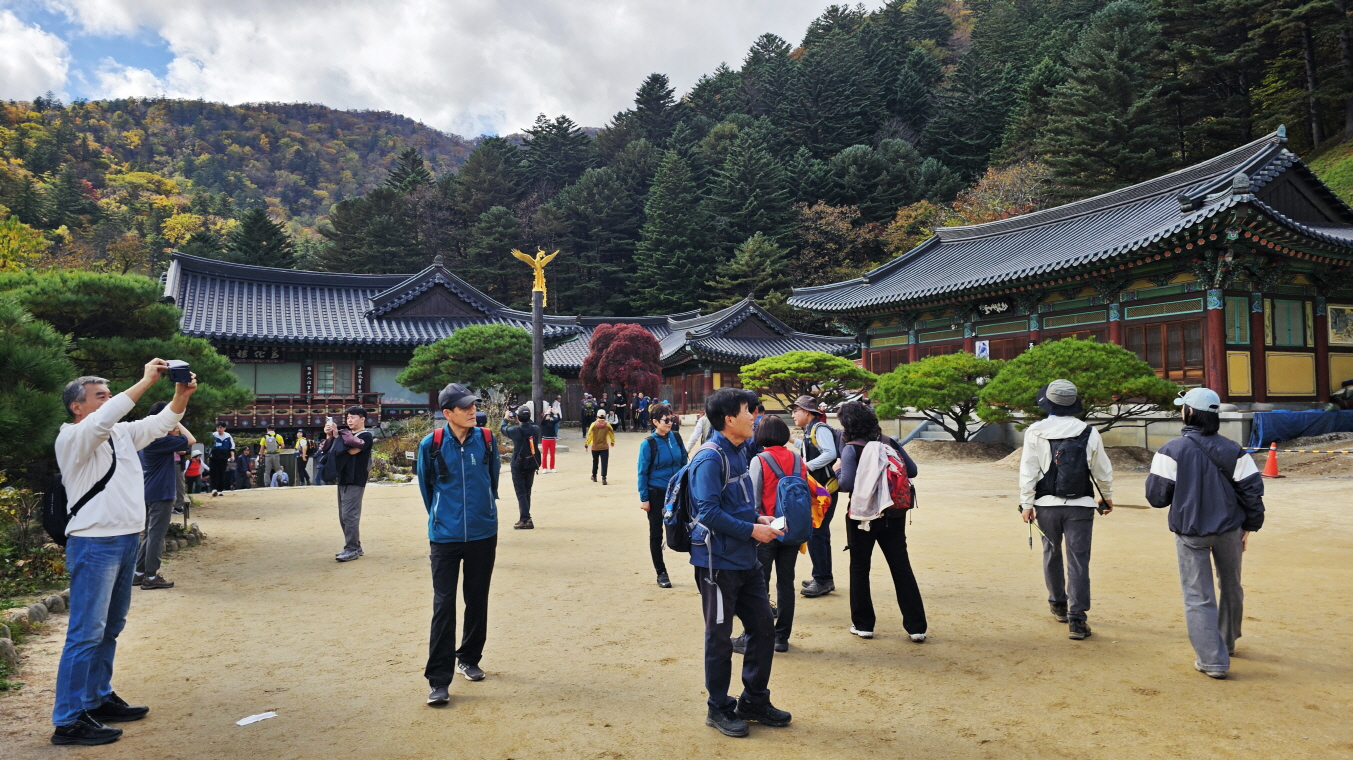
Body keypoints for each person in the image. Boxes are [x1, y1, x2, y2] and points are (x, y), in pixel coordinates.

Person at [51, 359, 197, 745]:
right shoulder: (73, 437)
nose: (109, 400)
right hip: (94, 543)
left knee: (110, 627)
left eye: (109, 394)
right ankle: (68, 720)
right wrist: (145, 381)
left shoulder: (120, 434)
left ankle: (96, 699)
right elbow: (106, 418)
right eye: (100, 396)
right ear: (76, 406)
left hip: (126, 538)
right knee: (86, 632)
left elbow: (161, 423)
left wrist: (180, 396)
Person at [689, 388, 790, 738]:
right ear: (729, 419)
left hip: (746, 560)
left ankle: (754, 701)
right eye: (749, 410)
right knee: (719, 638)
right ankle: (718, 707)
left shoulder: (738, 451)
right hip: (717, 565)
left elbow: (736, 503)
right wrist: (751, 529)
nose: (754, 416)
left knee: (763, 628)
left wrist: (758, 519)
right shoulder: (709, 458)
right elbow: (707, 512)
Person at [1146, 388, 1265, 679]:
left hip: (1191, 532)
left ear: (1189, 412)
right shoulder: (1234, 449)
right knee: (1231, 585)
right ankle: (1228, 641)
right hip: (1230, 529)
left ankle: (1212, 660)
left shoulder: (1171, 450)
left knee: (1198, 595)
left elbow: (1157, 498)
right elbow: (1252, 490)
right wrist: (1250, 526)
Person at [417, 383, 501, 707]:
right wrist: (442, 516)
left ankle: (469, 657)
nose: (472, 411)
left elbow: (492, 480)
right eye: (465, 407)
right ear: (447, 413)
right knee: (444, 605)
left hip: (483, 532)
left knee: (477, 599)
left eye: (473, 405)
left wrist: (485, 512)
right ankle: (439, 680)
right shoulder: (432, 444)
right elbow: (427, 488)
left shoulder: (487, 439)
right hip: (445, 537)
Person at [1018, 380, 1114, 641]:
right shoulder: (1089, 432)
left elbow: (1028, 469)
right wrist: (1106, 497)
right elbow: (1102, 470)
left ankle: (1058, 603)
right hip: (1081, 505)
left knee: (1051, 552)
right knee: (1078, 559)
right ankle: (1077, 619)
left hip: (1046, 505)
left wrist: (1027, 503)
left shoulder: (1035, 431)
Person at [835, 402, 926, 642]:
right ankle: (916, 627)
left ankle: (863, 624)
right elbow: (912, 470)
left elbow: (847, 484)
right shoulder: (889, 443)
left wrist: (837, 470)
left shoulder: (851, 449)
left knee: (859, 567)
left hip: (862, 516)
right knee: (901, 567)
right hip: (893, 513)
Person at [740, 414, 810, 652]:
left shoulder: (760, 460)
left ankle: (760, 635)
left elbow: (753, 500)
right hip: (792, 527)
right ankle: (782, 637)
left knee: (760, 584)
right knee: (786, 583)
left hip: (769, 527)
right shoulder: (798, 459)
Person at [134, 401, 194, 591]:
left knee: (149, 534)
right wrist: (175, 420)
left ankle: (139, 573)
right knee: (156, 535)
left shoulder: (147, 438)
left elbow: (184, 448)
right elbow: (191, 439)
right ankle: (151, 576)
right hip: (161, 492)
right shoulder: (160, 441)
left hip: (148, 491)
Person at [792, 395, 839, 599]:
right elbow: (809, 449)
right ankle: (823, 576)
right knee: (820, 533)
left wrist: (806, 467)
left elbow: (830, 453)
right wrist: (792, 441)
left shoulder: (819, 429)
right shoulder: (811, 429)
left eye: (796, 410)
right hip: (821, 489)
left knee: (816, 533)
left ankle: (822, 579)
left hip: (824, 490)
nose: (793, 414)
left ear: (807, 412)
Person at [637, 403, 686, 588]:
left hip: (677, 492)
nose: (670, 423)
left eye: (671, 419)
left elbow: (684, 462)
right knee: (656, 533)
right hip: (656, 492)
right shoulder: (648, 444)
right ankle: (661, 572)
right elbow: (642, 472)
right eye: (666, 420)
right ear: (656, 422)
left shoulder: (676, 437)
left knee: (684, 528)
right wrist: (644, 498)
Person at [323, 406, 375, 562]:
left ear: (362, 419)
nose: (349, 420)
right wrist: (330, 435)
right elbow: (331, 450)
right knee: (343, 516)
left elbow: (352, 450)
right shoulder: (346, 436)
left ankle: (351, 548)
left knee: (349, 515)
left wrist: (337, 436)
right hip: (343, 478)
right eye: (348, 418)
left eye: (353, 417)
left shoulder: (366, 436)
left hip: (356, 479)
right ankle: (355, 546)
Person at [501, 407, 542, 530]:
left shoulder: (516, 431)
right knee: (527, 491)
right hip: (531, 462)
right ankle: (525, 517)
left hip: (518, 464)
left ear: (517, 417)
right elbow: (530, 423)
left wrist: (506, 417)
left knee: (521, 492)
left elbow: (503, 428)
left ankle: (525, 519)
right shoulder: (535, 429)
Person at [585, 409, 615, 484]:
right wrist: (612, 441)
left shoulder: (593, 424)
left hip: (595, 446)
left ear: (597, 416)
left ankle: (594, 475)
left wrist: (587, 444)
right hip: (604, 446)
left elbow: (589, 435)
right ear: (605, 416)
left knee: (595, 461)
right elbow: (611, 433)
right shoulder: (607, 425)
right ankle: (604, 477)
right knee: (604, 462)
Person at [208, 422, 234, 496]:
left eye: (221, 428)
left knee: (221, 474)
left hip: (223, 458)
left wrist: (232, 456)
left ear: (224, 428)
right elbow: (208, 446)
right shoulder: (213, 435)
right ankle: (213, 489)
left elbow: (231, 448)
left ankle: (220, 490)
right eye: (218, 428)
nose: (219, 429)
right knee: (214, 473)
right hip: (214, 457)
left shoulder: (228, 436)